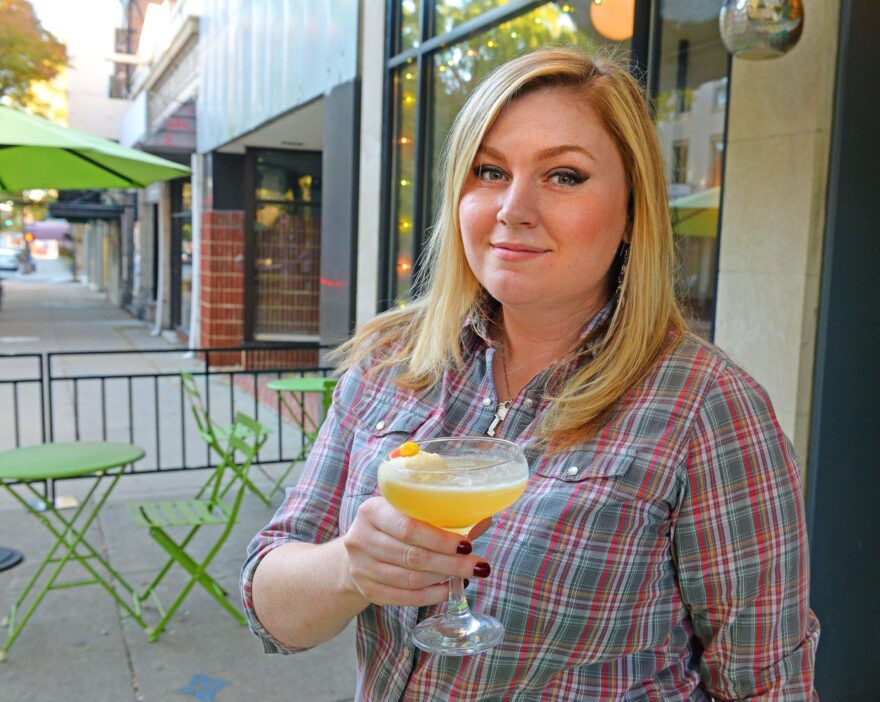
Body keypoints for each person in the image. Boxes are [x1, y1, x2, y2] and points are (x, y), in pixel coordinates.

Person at [242, 47, 820, 700]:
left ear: (632, 211)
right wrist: (350, 568)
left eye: (564, 176)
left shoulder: (706, 406)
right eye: (490, 171)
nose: (513, 209)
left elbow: (767, 683)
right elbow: (271, 611)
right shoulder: (391, 359)